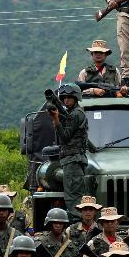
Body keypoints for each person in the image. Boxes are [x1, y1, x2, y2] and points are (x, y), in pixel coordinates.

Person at [48, 82, 89, 223]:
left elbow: (65, 136)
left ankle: (77, 226)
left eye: (69, 97)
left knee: (73, 197)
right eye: (64, 98)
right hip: (71, 160)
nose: (66, 100)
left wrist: (56, 119)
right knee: (72, 195)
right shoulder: (72, 113)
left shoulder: (76, 114)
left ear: (76, 98)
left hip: (73, 160)